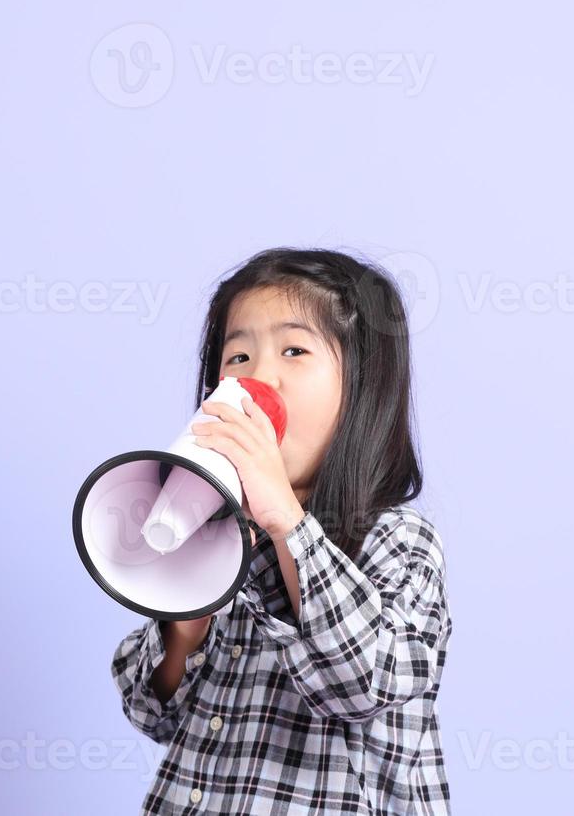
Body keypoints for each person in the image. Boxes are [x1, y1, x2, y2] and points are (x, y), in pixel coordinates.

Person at [111, 247, 454, 814]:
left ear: (365, 388)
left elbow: (363, 683)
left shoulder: (399, 540)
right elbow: (152, 713)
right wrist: (186, 616)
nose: (257, 379)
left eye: (294, 350)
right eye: (238, 355)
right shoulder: (222, 537)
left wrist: (285, 520)